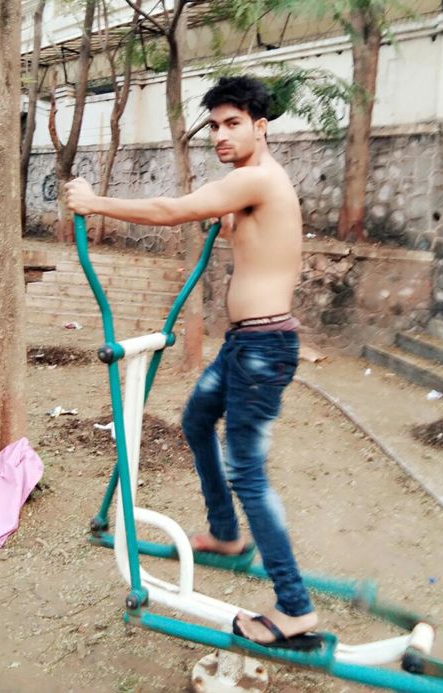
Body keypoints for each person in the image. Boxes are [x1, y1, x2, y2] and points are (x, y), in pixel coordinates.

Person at [65, 75, 319, 650]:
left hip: (263, 348)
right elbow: (242, 226)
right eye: (215, 126)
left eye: (234, 124)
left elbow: (170, 209)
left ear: (260, 126)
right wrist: (227, 220)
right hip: (245, 344)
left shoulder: (256, 178)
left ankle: (295, 608)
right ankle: (226, 533)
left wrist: (95, 202)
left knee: (246, 470)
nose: (221, 135)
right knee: (197, 419)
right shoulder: (251, 183)